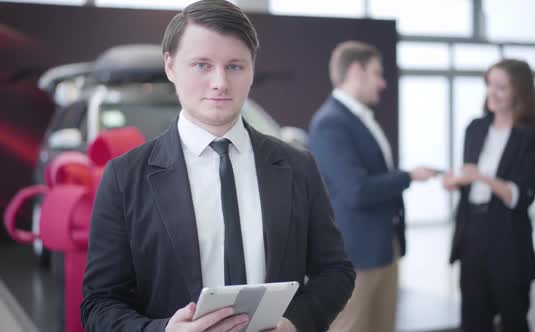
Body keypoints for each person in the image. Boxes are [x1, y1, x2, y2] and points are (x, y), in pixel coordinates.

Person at [80, 1, 355, 331]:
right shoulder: (126, 178)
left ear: (252, 70)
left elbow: (335, 271)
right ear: (171, 66)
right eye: (201, 65)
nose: (220, 82)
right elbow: (99, 303)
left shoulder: (297, 166)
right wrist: (164, 330)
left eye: (235, 66)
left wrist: (295, 323)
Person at [308, 41, 437, 332]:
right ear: (356, 71)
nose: (382, 83)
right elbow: (356, 190)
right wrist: (408, 177)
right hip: (357, 252)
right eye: (377, 73)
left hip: (382, 246)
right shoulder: (331, 122)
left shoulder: (359, 118)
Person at [442, 59, 535, 332]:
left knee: (513, 319)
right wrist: (456, 182)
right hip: (471, 234)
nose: (492, 92)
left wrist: (480, 176)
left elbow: (520, 197)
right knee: (473, 320)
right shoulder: (475, 128)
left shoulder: (533, 135)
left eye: (501, 87)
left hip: (508, 237)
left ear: (520, 92)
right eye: (489, 84)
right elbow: (470, 179)